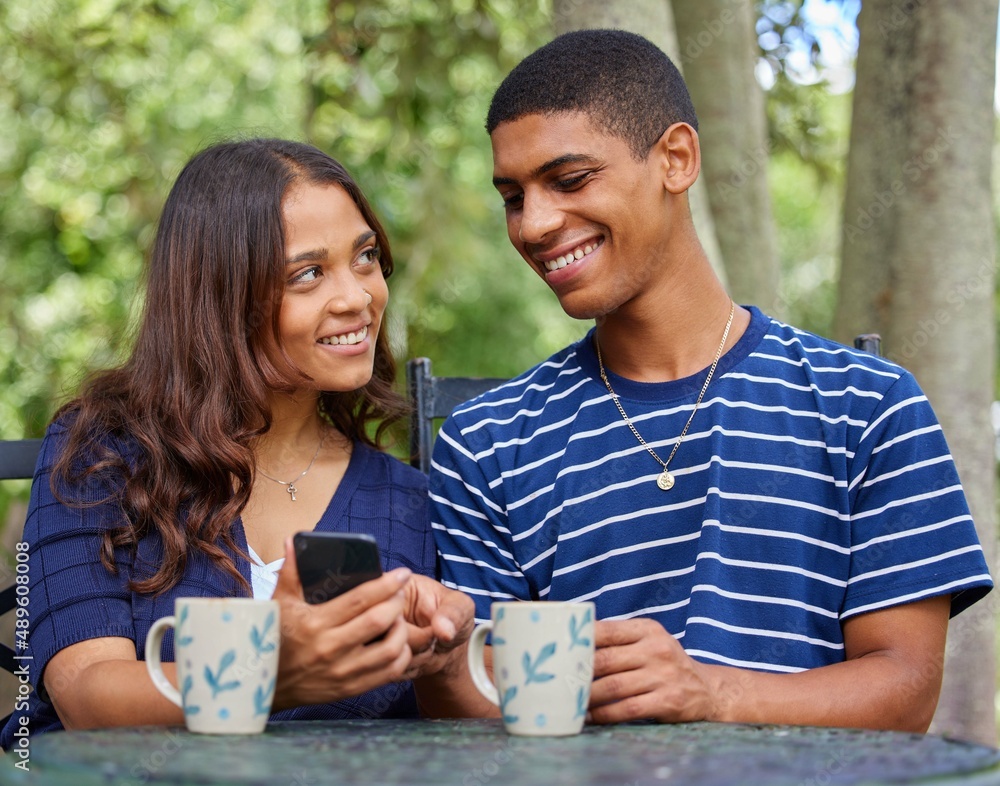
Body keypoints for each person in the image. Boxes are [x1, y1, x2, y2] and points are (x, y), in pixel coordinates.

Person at [430, 29, 993, 731]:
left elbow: (906, 690)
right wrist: (428, 654)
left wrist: (712, 696)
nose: (535, 224)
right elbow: (475, 705)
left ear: (676, 158)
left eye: (569, 180)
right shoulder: (486, 442)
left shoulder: (870, 406)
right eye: (513, 197)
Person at [1, 138, 472, 746]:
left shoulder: (405, 499)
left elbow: (436, 729)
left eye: (365, 257)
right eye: (308, 273)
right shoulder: (102, 452)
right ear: (222, 297)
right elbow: (85, 692)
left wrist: (448, 653)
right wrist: (267, 672)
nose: (358, 297)